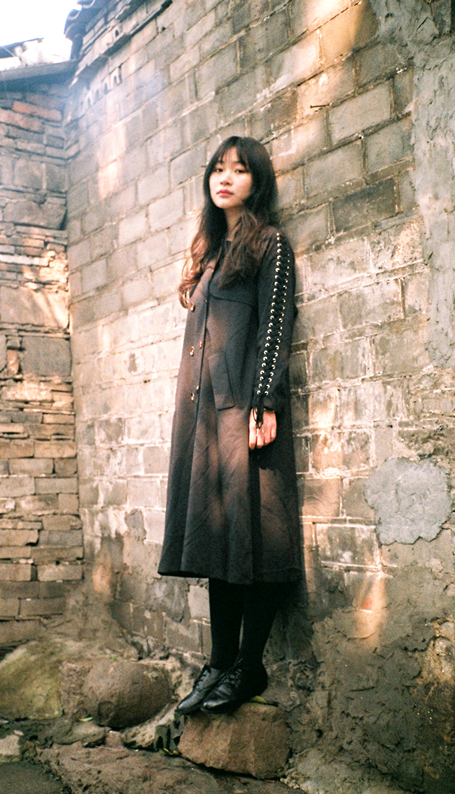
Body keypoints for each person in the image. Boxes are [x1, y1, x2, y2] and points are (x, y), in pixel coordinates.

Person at [158, 135, 301, 716]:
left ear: (256, 182)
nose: (225, 178)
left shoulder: (271, 245)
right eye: (218, 169)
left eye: (239, 170)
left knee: (256, 537)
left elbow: (275, 325)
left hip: (247, 414)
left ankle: (249, 665)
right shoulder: (212, 252)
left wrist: (264, 402)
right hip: (206, 421)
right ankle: (218, 663)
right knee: (221, 539)